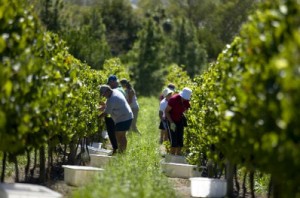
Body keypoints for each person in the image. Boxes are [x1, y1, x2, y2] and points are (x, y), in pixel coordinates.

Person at [98, 85, 133, 153]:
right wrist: (100, 107)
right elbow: (108, 105)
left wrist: (97, 117)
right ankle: (122, 152)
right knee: (121, 135)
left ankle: (121, 152)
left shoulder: (112, 99)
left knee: (119, 135)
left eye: (104, 94)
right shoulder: (115, 91)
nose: (104, 96)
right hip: (126, 116)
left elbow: (106, 112)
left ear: (108, 91)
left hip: (123, 117)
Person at [165, 87, 192, 155]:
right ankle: (171, 158)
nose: (185, 99)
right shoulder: (173, 100)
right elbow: (166, 112)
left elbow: (187, 109)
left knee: (180, 141)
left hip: (179, 121)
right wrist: (171, 123)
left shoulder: (186, 102)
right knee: (174, 142)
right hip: (171, 120)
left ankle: (178, 158)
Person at [103, 75, 126, 153]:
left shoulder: (116, 90)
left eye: (109, 83)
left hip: (116, 115)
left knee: (114, 132)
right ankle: (118, 149)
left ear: (113, 82)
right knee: (118, 133)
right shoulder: (119, 90)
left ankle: (117, 149)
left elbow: (113, 104)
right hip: (119, 114)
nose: (109, 85)